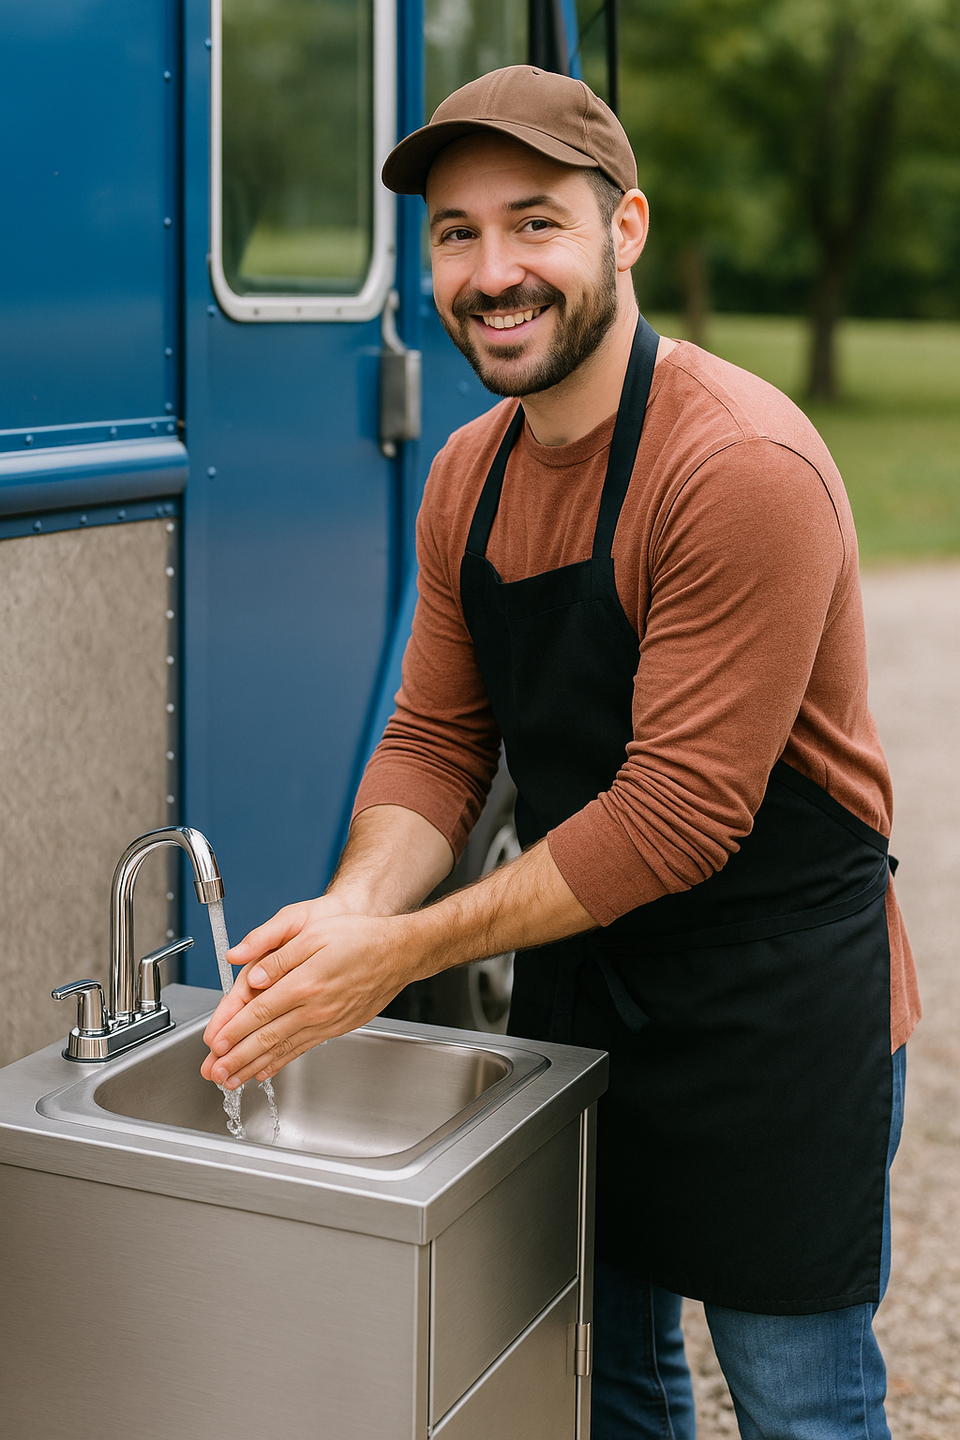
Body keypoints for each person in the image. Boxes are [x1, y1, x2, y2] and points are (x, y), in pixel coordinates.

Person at [201, 66, 920, 1439]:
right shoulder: (467, 475)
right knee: (604, 1378)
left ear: (625, 229)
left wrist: (401, 955)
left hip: (775, 1002)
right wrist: (352, 917)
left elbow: (677, 816)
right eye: (456, 235)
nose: (493, 273)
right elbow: (436, 738)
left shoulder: (738, 467)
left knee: (797, 1402)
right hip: (586, 980)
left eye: (535, 222)